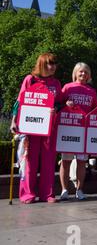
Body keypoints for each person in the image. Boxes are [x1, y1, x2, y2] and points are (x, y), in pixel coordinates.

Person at [10, 53, 63, 204]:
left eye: (54, 64)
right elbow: (19, 101)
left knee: (48, 161)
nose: (52, 67)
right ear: (41, 64)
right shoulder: (30, 79)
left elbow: (59, 102)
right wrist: (14, 121)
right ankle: (27, 194)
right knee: (30, 160)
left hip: (49, 127)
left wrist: (56, 109)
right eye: (49, 64)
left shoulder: (56, 83)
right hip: (31, 126)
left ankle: (47, 194)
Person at [58, 63, 97, 201]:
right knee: (65, 161)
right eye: (80, 72)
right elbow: (58, 103)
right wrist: (65, 104)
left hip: (84, 131)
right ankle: (64, 190)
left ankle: (79, 190)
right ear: (75, 73)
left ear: (89, 75)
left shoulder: (91, 91)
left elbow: (95, 109)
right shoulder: (67, 87)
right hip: (68, 128)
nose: (83, 74)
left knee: (81, 162)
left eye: (85, 72)